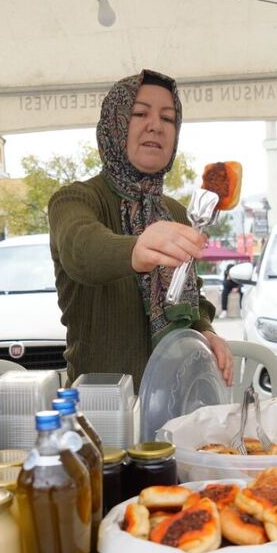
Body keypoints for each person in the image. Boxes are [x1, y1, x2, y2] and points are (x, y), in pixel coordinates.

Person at [48, 69, 232, 390]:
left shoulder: (175, 212)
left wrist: (205, 330)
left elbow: (190, 295)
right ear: (114, 123)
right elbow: (80, 249)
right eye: (139, 113)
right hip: (103, 408)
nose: (155, 125)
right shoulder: (76, 199)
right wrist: (135, 250)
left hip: (178, 399)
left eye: (169, 118)